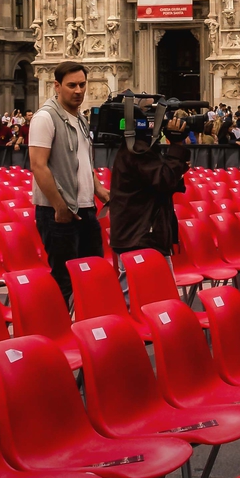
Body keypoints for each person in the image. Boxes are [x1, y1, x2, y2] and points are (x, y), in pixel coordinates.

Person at [28, 61, 106, 299]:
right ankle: (57, 331)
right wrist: (59, 206)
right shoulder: (45, 117)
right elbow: (38, 165)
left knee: (94, 273)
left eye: (82, 84)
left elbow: (84, 163)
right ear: (57, 86)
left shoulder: (80, 119)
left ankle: (90, 328)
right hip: (58, 212)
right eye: (72, 85)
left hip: (85, 208)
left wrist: (102, 192)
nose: (79, 90)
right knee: (64, 279)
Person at [107, 101, 191, 255]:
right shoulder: (138, 150)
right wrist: (177, 144)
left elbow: (158, 182)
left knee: (161, 279)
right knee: (141, 280)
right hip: (140, 238)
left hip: (142, 235)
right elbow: (164, 180)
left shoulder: (140, 147)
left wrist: (178, 166)